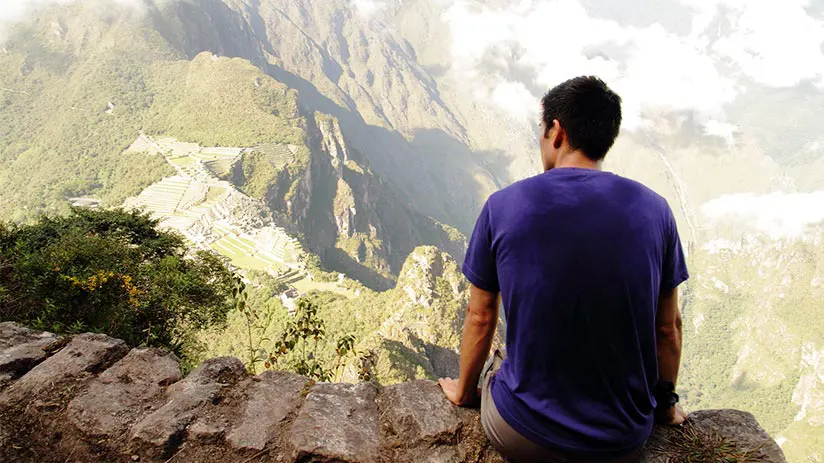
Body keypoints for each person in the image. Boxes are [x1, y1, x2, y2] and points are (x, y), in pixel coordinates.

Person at [438, 76, 689, 462]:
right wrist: (666, 406)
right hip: (621, 441)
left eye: (542, 131)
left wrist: (463, 391)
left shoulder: (503, 206)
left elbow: (480, 315)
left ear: (556, 131)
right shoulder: (656, 211)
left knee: (503, 359)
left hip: (522, 433)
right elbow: (667, 328)